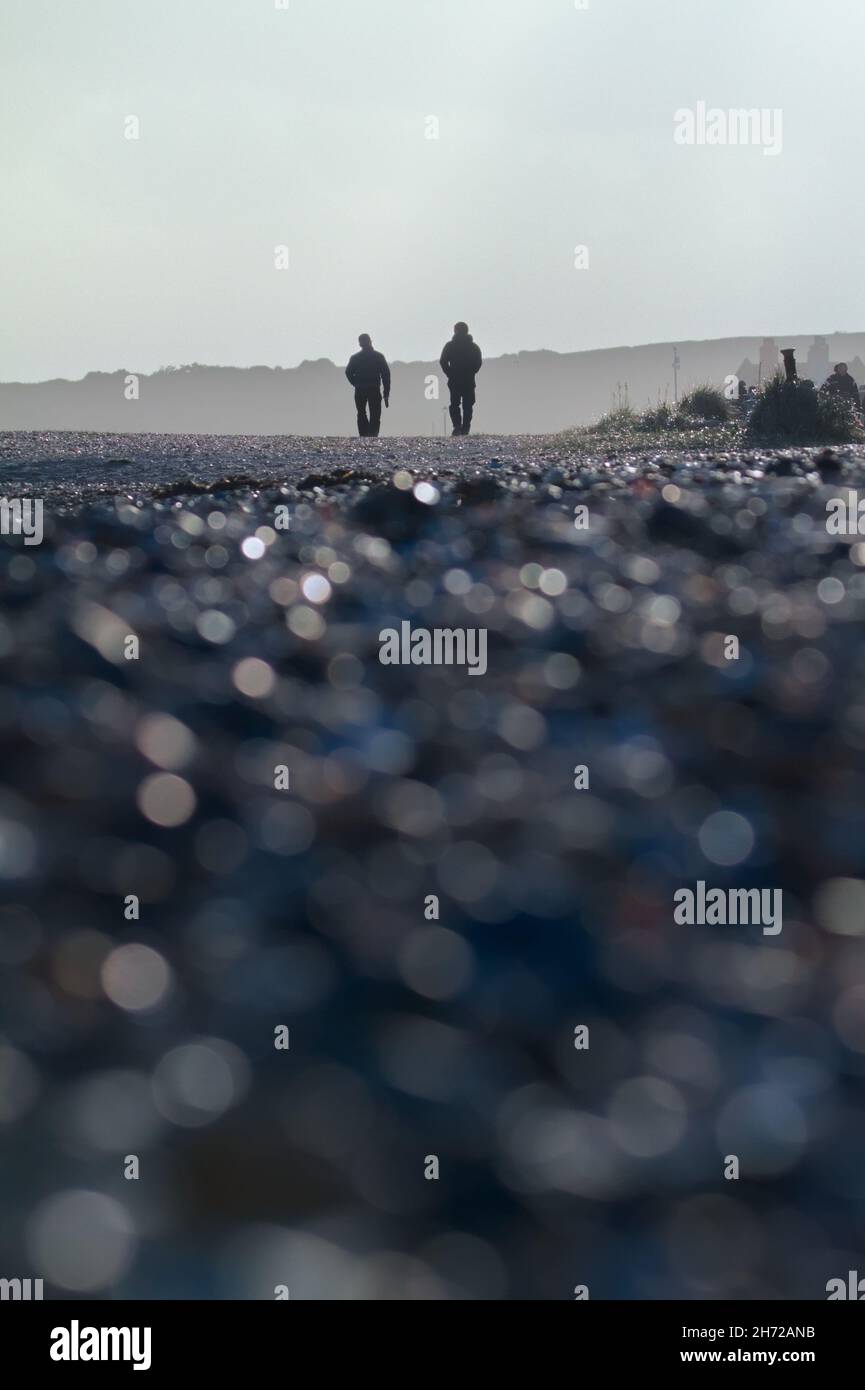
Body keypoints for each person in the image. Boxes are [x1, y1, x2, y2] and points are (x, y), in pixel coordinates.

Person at [440, 322, 482, 435]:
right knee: (468, 405)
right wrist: (472, 372)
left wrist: (449, 373)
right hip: (469, 380)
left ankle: (457, 426)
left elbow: (443, 361)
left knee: (454, 404)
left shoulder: (450, 346)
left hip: (454, 380)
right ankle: (466, 427)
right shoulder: (474, 347)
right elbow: (478, 362)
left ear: (455, 331)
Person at [345, 334, 390, 437]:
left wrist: (356, 383)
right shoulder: (378, 356)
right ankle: (372, 435)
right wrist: (386, 393)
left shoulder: (355, 358)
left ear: (360, 344)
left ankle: (364, 435)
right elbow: (386, 375)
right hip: (373, 389)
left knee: (361, 413)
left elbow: (348, 372)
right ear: (370, 341)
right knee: (374, 414)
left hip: (360, 389)